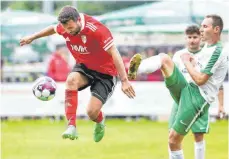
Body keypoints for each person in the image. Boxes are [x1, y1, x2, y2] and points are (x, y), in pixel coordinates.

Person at [20, 6, 135, 142]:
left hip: (106, 73)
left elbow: (115, 53)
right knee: (71, 81)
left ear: (78, 20)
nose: (68, 31)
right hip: (85, 66)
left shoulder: (97, 30)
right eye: (66, 28)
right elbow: (53, 28)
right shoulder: (65, 26)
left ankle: (100, 119)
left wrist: (124, 80)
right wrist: (33, 37)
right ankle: (71, 126)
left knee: (91, 112)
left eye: (71, 28)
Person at [127, 14, 228, 159]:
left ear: (216, 29)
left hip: (198, 97)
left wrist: (187, 62)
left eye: (205, 26)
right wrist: (192, 63)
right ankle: (137, 69)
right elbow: (199, 70)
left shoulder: (218, 51)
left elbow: (200, 80)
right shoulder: (206, 47)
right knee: (164, 59)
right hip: (187, 87)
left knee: (175, 140)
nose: (201, 30)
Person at [169, 25, 226, 159]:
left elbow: (217, 83)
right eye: (189, 37)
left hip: (199, 98)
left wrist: (221, 105)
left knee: (198, 135)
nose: (192, 40)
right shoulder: (178, 55)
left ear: (200, 38)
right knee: (172, 135)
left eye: (195, 37)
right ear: (185, 38)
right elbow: (172, 75)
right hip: (181, 98)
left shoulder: (206, 55)